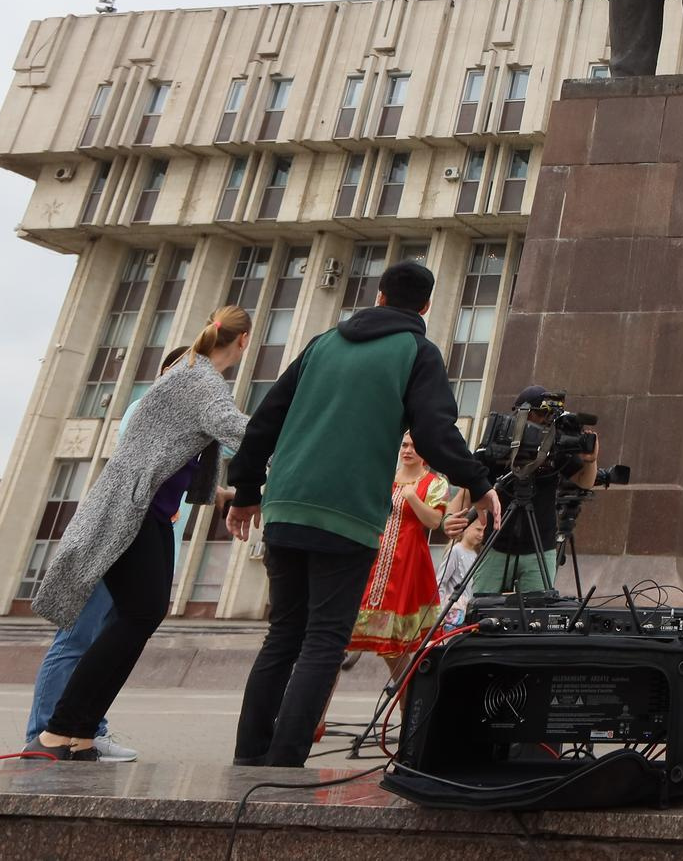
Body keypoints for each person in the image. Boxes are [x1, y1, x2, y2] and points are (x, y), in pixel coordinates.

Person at [225, 261, 502, 767]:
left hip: (285, 505)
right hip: (347, 514)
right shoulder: (417, 351)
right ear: (425, 307)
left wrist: (245, 489)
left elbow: (266, 418)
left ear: (377, 296)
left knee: (283, 633)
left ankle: (248, 756)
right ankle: (283, 761)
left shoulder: (322, 343)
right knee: (324, 639)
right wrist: (480, 484)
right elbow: (436, 432)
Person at [33, 309, 252, 760]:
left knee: (138, 616)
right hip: (133, 512)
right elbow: (240, 432)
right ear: (244, 341)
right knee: (129, 618)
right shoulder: (201, 379)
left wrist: (227, 493)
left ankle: (77, 733)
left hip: (143, 510)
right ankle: (58, 731)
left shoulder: (192, 373)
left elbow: (188, 457)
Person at [446, 385, 598, 600]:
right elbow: (467, 493)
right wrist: (449, 518)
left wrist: (590, 461)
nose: (545, 422)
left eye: (549, 417)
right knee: (483, 609)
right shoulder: (497, 448)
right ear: (520, 413)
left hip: (540, 549)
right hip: (496, 546)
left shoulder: (555, 448)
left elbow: (584, 482)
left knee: (538, 613)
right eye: (540, 415)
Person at [344, 434, 452, 667]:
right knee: (339, 635)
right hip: (372, 557)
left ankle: (406, 701)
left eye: (415, 446)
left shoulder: (434, 483)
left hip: (406, 561)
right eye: (404, 445)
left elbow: (434, 521)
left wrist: (412, 497)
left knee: (394, 647)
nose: (408, 450)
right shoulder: (385, 478)